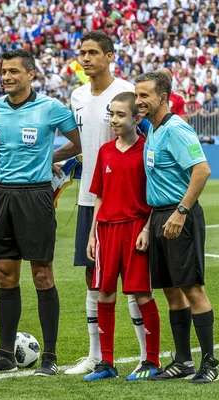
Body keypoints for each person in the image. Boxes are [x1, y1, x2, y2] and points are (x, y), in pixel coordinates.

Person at [0, 49, 81, 376]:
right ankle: (5, 353)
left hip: (35, 196)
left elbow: (77, 143)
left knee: (42, 274)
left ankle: (49, 356)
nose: (7, 77)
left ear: (31, 75)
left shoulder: (51, 108)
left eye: (14, 72)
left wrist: (49, 157)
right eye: (4, 71)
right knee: (4, 273)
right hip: (3, 195)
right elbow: (6, 143)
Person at [55, 31, 149, 377]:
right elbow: (80, 144)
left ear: (110, 56)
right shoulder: (77, 95)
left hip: (124, 201)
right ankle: (96, 355)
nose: (86, 57)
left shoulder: (124, 92)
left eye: (94, 52)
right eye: (82, 52)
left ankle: (144, 356)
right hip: (89, 198)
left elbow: (141, 140)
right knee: (93, 277)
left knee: (132, 281)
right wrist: (54, 160)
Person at [135, 71, 218, 383]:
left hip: (179, 214)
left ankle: (209, 364)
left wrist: (181, 211)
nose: (139, 101)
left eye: (145, 96)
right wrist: (150, 224)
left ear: (163, 98)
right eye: (137, 95)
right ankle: (182, 360)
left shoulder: (176, 129)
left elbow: (202, 170)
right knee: (171, 290)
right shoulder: (153, 130)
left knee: (192, 288)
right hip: (159, 215)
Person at [82, 92, 162, 381]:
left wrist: (147, 229)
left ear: (136, 118)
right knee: (104, 292)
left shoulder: (146, 150)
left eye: (120, 115)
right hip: (106, 231)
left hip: (135, 229)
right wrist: (92, 236)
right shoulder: (105, 151)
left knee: (142, 293)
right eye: (111, 115)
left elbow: (155, 196)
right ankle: (107, 363)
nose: (114, 120)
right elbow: (99, 197)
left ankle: (151, 362)